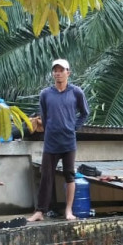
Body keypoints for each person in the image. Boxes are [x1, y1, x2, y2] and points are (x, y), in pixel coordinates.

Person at [28, 58, 89, 221]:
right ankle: (40, 211)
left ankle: (68, 210)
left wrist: (73, 127)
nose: (58, 73)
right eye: (55, 70)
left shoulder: (76, 92)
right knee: (46, 176)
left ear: (68, 72)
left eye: (61, 70)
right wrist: (50, 131)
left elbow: (84, 113)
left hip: (68, 141)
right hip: (51, 142)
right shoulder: (46, 94)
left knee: (70, 175)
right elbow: (45, 116)